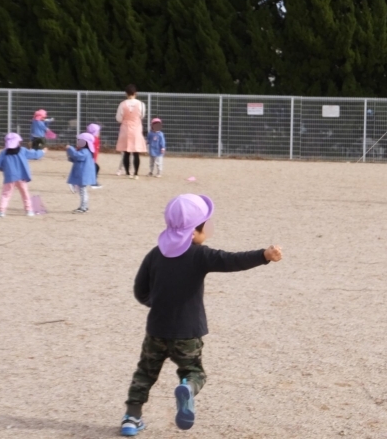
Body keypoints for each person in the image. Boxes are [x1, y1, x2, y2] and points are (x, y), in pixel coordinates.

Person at [120, 194, 283, 436]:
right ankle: (187, 387)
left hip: (156, 330)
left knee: (145, 372)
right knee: (194, 371)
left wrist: (157, 303)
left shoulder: (155, 254)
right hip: (187, 332)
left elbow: (140, 290)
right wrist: (264, 255)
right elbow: (231, 261)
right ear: (193, 232)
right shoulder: (199, 255)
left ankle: (131, 419)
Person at [0, 133, 45, 217]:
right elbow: (34, 155)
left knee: (6, 194)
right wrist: (42, 151)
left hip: (9, 177)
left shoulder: (4, 153)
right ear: (18, 142)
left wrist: (4, 169)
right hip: (22, 177)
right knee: (25, 194)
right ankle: (29, 211)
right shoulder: (23, 150)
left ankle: (1, 211)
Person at [116, 84, 147, 179]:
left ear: (126, 93)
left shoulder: (122, 104)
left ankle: (128, 173)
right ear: (135, 93)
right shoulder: (141, 104)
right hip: (136, 128)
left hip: (125, 128)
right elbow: (142, 116)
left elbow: (118, 118)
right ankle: (136, 173)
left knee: (126, 151)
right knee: (136, 152)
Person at [66, 133, 97, 214]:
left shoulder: (85, 151)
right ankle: (84, 206)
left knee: (83, 191)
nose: (78, 142)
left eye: (80, 141)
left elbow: (77, 156)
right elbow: (77, 158)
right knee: (82, 191)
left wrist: (70, 149)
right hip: (82, 174)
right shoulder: (85, 151)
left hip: (83, 175)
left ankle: (83, 207)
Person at [87, 123, 103, 189]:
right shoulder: (93, 139)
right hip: (90, 159)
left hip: (92, 160)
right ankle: (93, 183)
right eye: (98, 132)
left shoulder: (95, 139)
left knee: (95, 168)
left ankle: (93, 182)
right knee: (96, 168)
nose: (99, 133)